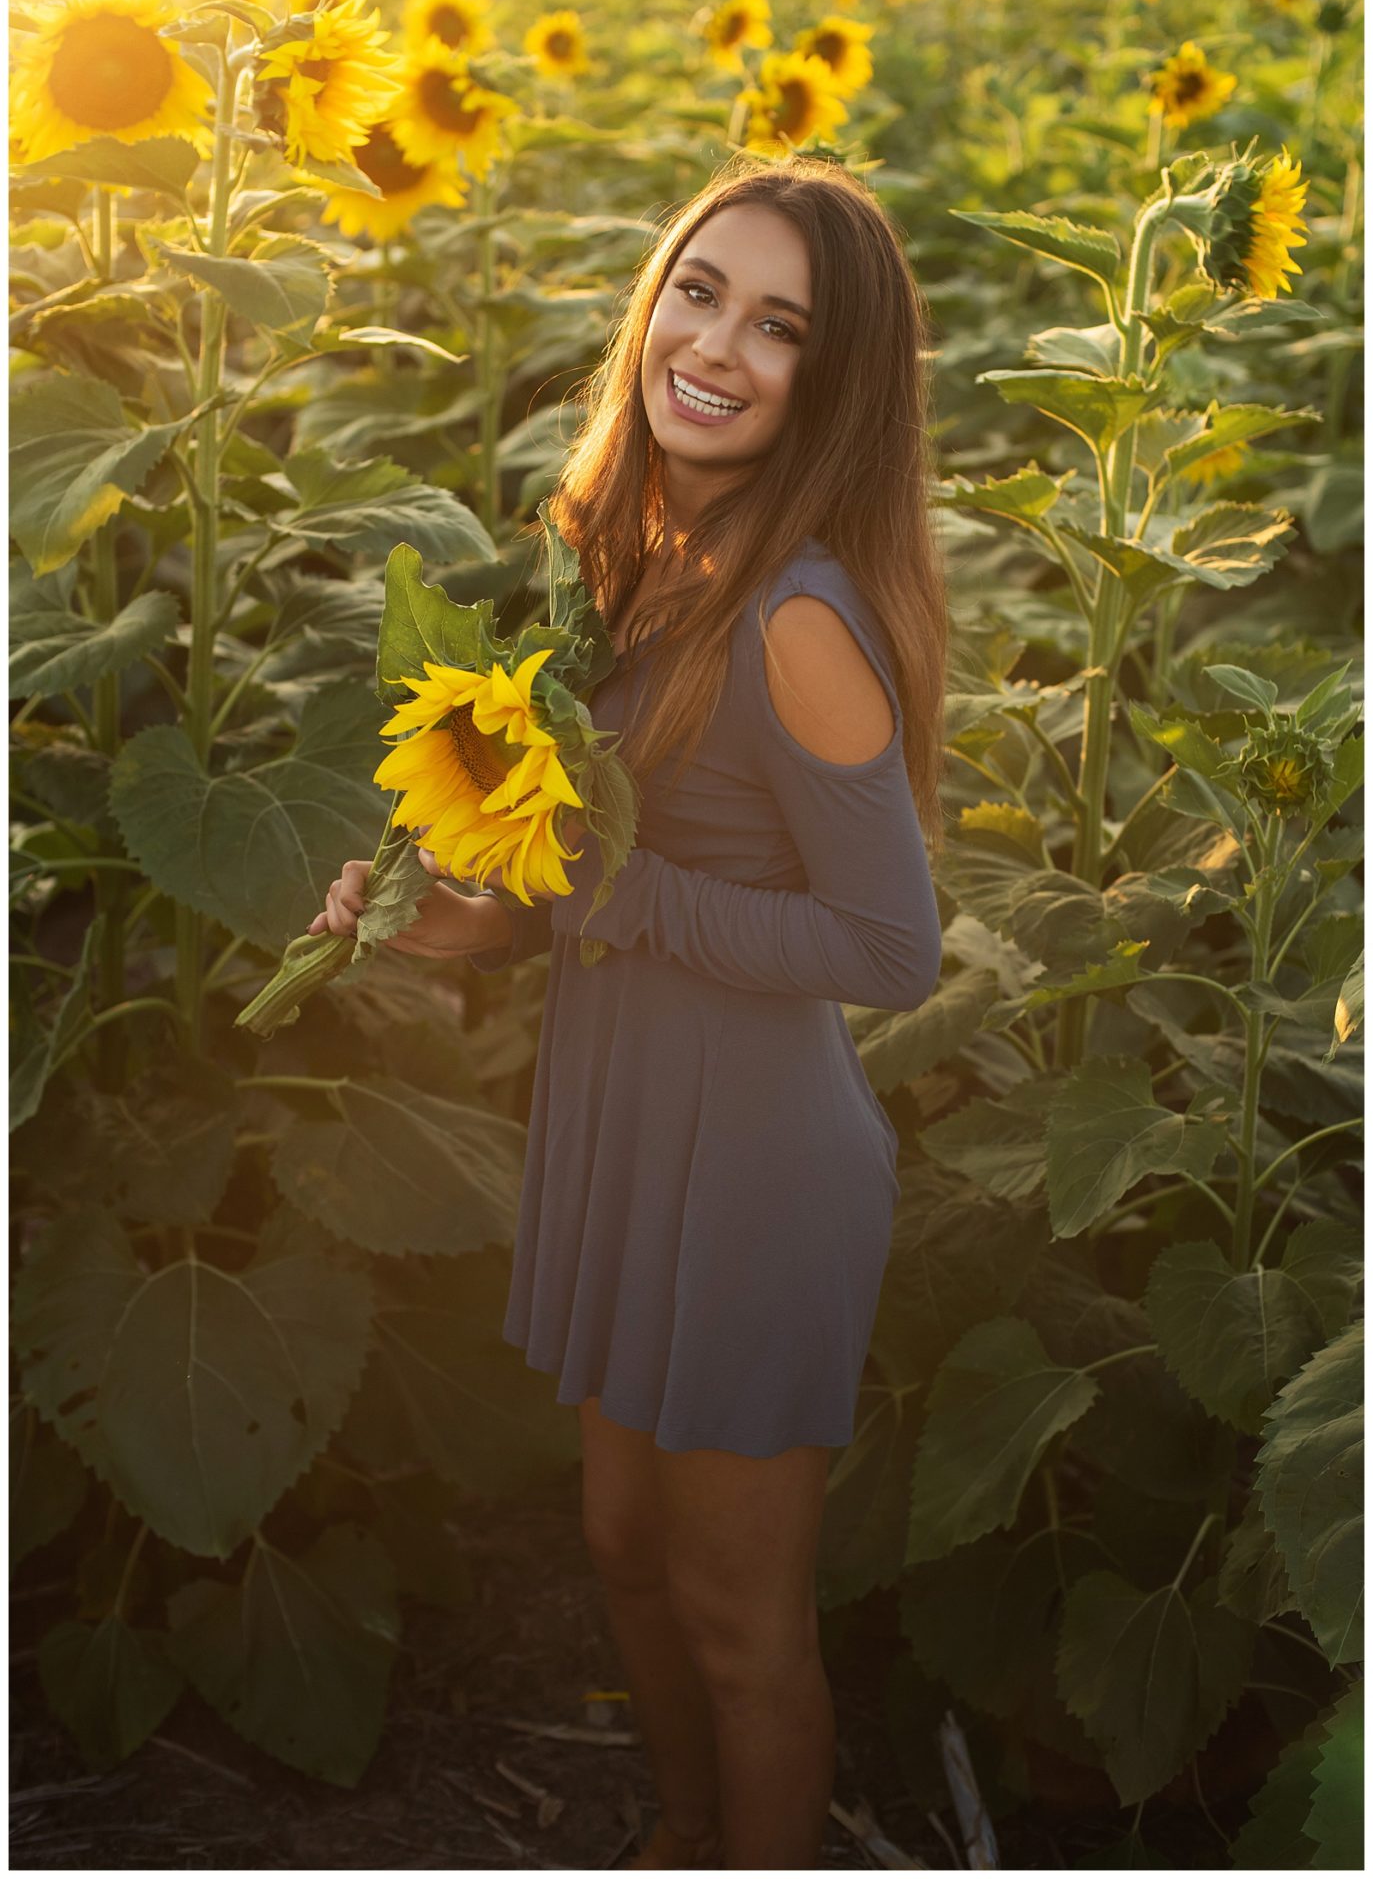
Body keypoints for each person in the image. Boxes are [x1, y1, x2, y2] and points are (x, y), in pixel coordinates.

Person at [309, 154, 946, 1870]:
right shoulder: (643, 563)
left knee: (745, 1622)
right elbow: (570, 901)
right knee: (622, 1548)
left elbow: (893, 948)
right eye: (697, 290)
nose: (717, 343)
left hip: (751, 1166)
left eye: (781, 326)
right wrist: (442, 924)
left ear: (838, 383)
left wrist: (614, 897)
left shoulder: (798, 618)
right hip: (619, 1123)